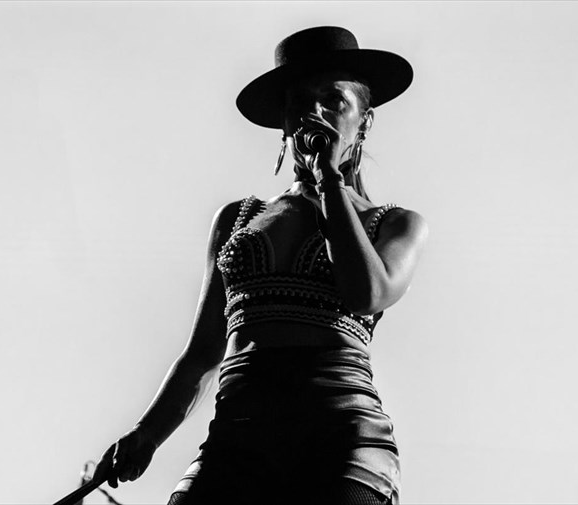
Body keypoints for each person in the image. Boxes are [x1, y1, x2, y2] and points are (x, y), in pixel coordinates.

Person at [92, 26, 428, 505]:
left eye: (334, 100)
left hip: (341, 446)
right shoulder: (236, 219)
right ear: (285, 122)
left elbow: (366, 293)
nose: (315, 113)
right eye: (300, 102)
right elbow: (202, 353)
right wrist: (146, 433)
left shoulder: (395, 224)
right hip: (237, 443)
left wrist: (329, 182)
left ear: (365, 121)